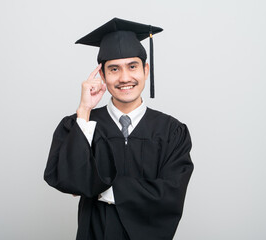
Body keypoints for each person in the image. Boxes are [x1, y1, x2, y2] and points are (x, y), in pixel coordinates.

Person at [44, 18, 194, 240]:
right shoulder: (79, 124)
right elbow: (68, 180)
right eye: (114, 69)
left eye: (132, 67)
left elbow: (171, 194)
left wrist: (101, 189)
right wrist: (84, 110)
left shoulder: (171, 132)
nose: (125, 78)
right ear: (102, 76)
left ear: (146, 70)